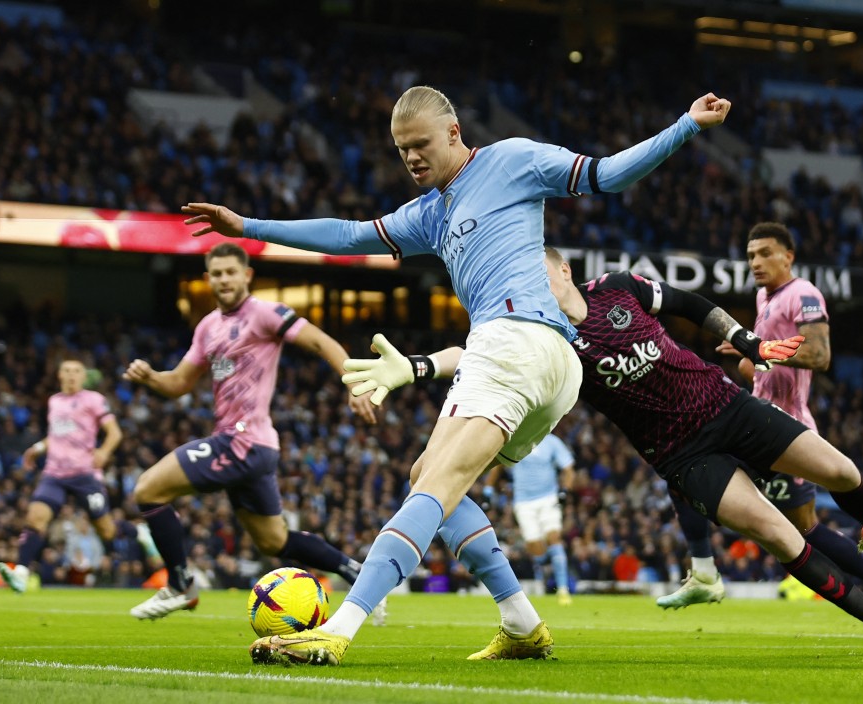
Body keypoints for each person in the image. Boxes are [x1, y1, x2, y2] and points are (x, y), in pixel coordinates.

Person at [184, 84, 732, 665]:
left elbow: (609, 174)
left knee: (432, 486)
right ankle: (520, 620)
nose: (412, 158)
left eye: (421, 144)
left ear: (453, 133)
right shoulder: (428, 214)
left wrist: (686, 125)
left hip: (515, 341)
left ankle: (338, 629)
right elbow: (348, 236)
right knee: (431, 474)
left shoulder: (510, 160)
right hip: (541, 362)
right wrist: (247, 226)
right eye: (401, 150)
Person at [363, 247, 863, 656]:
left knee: (842, 469)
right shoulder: (547, 341)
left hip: (727, 406)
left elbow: (690, 302)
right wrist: (415, 368)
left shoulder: (617, 287)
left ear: (563, 269)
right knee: (780, 535)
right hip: (683, 455)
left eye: (535, 273)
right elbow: (472, 355)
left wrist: (743, 340)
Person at [657, 222, 863, 626]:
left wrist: (760, 350)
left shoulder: (804, 293)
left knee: (796, 530)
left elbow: (818, 355)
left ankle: (705, 571)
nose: (755, 263)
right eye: (750, 256)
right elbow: (764, 368)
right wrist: (748, 360)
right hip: (757, 420)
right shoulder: (764, 297)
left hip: (784, 429)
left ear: (788, 256)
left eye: (764, 253)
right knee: (795, 526)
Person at [123, 242, 379, 619]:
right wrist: (151, 378)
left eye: (231, 272)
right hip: (254, 448)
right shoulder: (208, 326)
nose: (224, 279)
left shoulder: (266, 313)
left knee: (148, 489)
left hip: (241, 441)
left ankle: (180, 585)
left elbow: (320, 341)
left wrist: (356, 385)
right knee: (273, 540)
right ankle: (358, 572)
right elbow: (178, 383)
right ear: (208, 279)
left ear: (246, 275)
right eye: (217, 274)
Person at [0, 356, 124, 593]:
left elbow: (114, 433)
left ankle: (136, 531)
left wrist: (104, 452)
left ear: (84, 377)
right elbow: (56, 435)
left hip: (85, 474)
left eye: (76, 371)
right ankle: (21, 574)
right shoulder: (54, 401)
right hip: (54, 473)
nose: (71, 374)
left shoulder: (94, 400)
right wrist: (37, 448)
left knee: (106, 530)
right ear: (59, 375)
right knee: (35, 518)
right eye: (66, 370)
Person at [483, 433, 576, 605]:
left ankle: (563, 590)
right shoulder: (518, 439)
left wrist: (565, 490)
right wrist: (488, 492)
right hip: (524, 502)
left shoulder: (552, 441)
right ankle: (548, 562)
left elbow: (568, 468)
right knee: (534, 546)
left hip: (548, 498)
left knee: (554, 537)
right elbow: (498, 465)